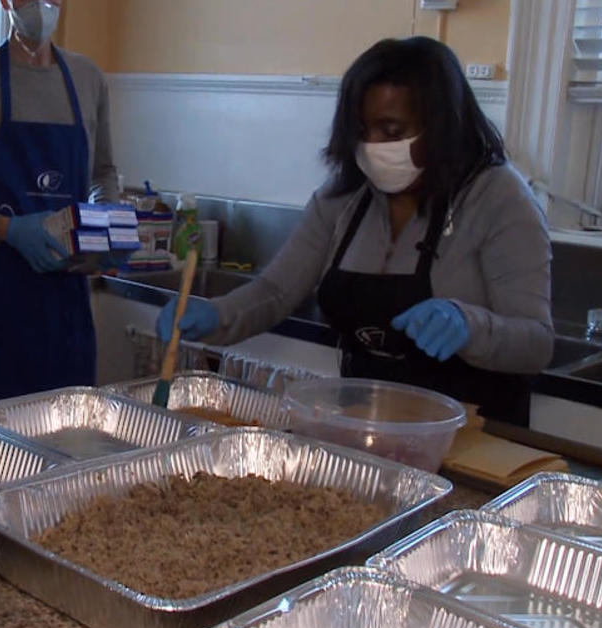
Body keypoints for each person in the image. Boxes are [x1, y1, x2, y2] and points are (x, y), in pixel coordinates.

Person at [157, 37, 553, 426]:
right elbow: (276, 292)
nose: (372, 146)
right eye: (362, 131)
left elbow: (535, 342)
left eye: (392, 131)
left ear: (442, 127)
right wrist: (217, 314)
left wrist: (469, 326)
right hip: (368, 427)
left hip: (475, 439)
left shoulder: (499, 197)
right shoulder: (342, 199)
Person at [0, 0, 119, 405]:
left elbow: (103, 172)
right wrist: (6, 229)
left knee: (68, 437)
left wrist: (107, 228)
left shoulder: (89, 78)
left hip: (68, 303)